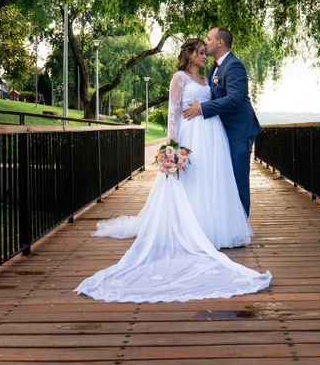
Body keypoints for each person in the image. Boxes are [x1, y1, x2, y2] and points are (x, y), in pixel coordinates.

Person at [74, 39, 271, 303]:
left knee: (208, 181)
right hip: (191, 134)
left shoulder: (207, 77)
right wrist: (172, 145)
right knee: (189, 181)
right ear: (189, 55)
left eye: (205, 51)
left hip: (211, 136)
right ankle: (188, 229)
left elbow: (222, 101)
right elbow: (173, 112)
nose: (204, 56)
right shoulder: (179, 78)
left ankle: (211, 228)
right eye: (200, 53)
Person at [183, 27, 261, 217]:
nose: (205, 42)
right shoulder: (214, 68)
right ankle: (228, 222)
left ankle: (242, 225)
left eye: (209, 39)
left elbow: (235, 99)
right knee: (224, 180)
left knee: (238, 178)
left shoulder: (234, 65)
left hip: (238, 131)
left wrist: (202, 109)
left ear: (220, 42)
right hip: (222, 131)